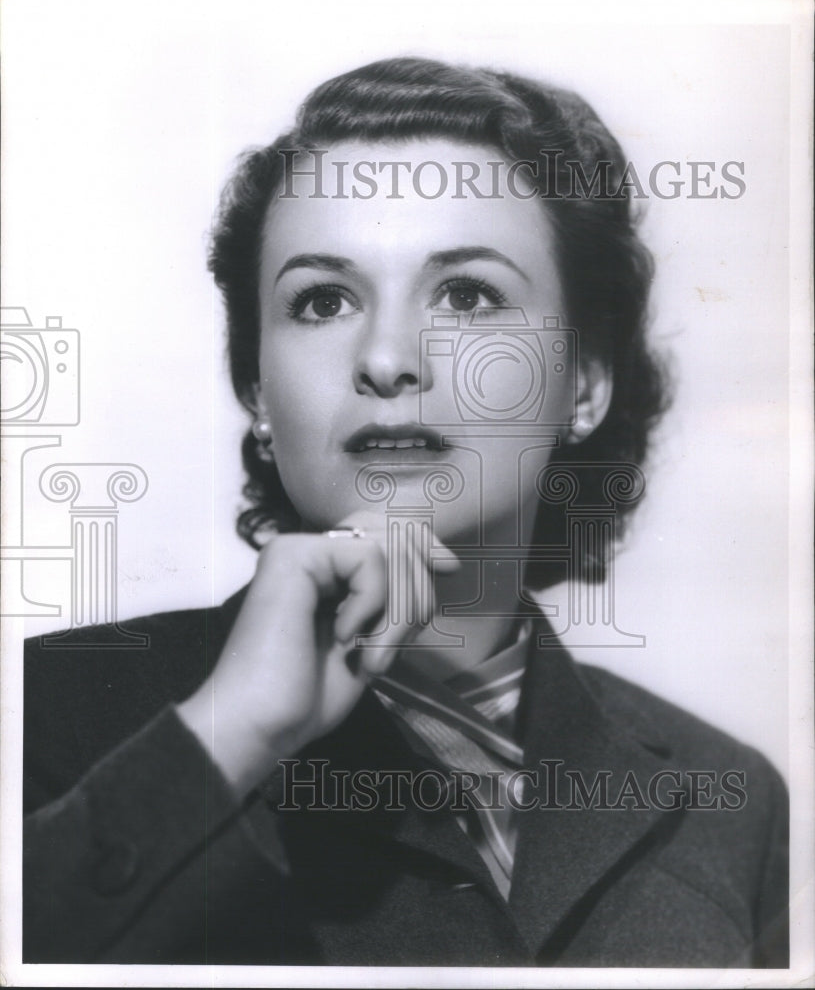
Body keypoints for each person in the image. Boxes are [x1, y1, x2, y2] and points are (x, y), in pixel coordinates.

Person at [23, 56, 788, 968]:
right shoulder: (44, 713)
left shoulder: (727, 799)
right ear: (257, 390)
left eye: (467, 295)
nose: (387, 358)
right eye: (323, 300)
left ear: (582, 384)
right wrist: (230, 735)